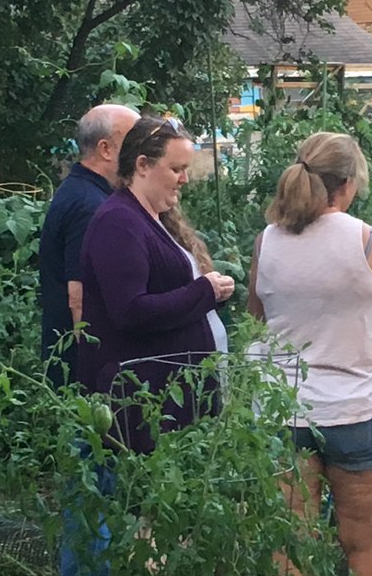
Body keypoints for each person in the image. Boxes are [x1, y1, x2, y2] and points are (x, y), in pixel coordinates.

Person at [246, 132, 372, 576]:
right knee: (365, 546)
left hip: (281, 410)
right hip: (355, 409)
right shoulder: (368, 240)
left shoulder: (266, 242)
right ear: (348, 184)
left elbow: (258, 319)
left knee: (289, 547)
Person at [77, 117, 234, 454]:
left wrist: (209, 295)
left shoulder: (149, 218)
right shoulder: (119, 222)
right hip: (145, 403)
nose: (184, 178)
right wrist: (203, 292)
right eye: (176, 168)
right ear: (143, 165)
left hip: (169, 399)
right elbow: (131, 310)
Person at [38, 104, 138, 387]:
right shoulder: (91, 206)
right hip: (80, 370)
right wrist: (98, 372)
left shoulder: (83, 191)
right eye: (133, 142)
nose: (142, 154)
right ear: (106, 149)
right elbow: (78, 297)